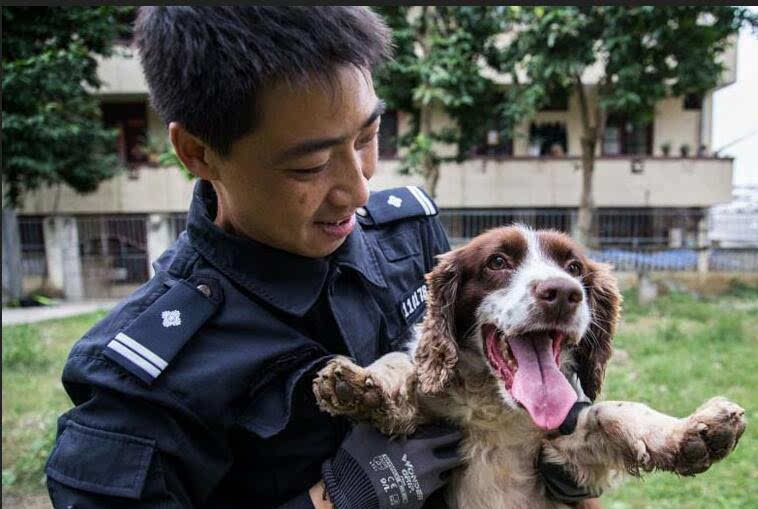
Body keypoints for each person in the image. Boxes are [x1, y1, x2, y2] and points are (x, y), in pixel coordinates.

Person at [44, 7, 597, 509]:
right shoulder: (147, 377)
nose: (357, 192)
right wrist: (334, 501)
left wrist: (570, 471)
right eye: (308, 167)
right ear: (199, 152)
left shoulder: (410, 237)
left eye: (368, 136)